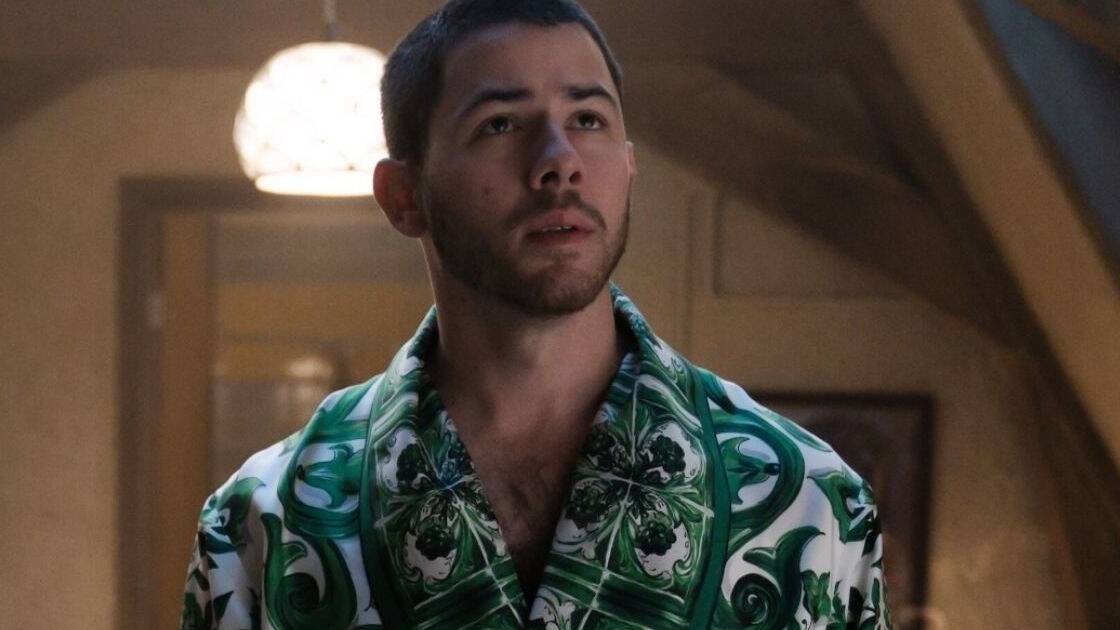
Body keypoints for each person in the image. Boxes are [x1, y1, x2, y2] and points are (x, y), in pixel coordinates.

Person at [181, 1, 891, 628]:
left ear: (629, 167)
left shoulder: (809, 501)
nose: (560, 161)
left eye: (588, 119)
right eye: (500, 124)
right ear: (403, 196)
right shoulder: (266, 522)